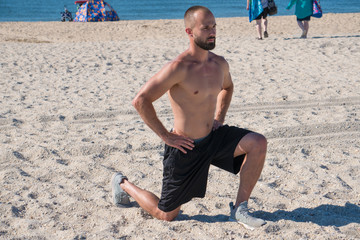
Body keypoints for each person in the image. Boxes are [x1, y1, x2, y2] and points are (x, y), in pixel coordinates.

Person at [111, 5, 267, 230]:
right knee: (166, 214)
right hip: (185, 147)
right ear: (190, 32)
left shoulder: (219, 63)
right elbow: (140, 100)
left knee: (258, 142)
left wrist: (219, 119)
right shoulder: (178, 68)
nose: (212, 31)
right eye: (205, 28)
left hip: (213, 138)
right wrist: (166, 136)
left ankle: (240, 208)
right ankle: (123, 183)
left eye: (214, 26)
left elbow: (228, 87)